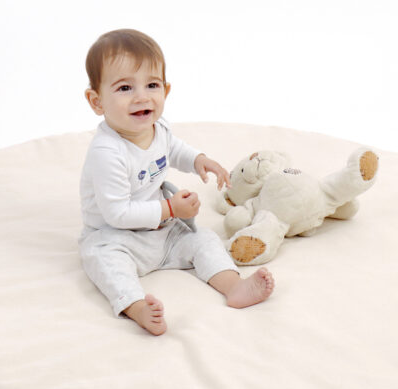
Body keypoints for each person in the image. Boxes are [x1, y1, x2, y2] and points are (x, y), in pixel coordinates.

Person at [78, 29, 274, 336]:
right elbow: (117, 214)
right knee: (105, 264)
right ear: (96, 101)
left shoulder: (158, 128)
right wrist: (169, 207)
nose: (142, 96)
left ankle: (234, 287)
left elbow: (173, 149)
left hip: (164, 233)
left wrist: (199, 160)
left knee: (203, 240)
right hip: (115, 237)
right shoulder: (107, 152)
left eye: (152, 85)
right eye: (125, 88)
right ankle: (137, 307)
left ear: (165, 91)